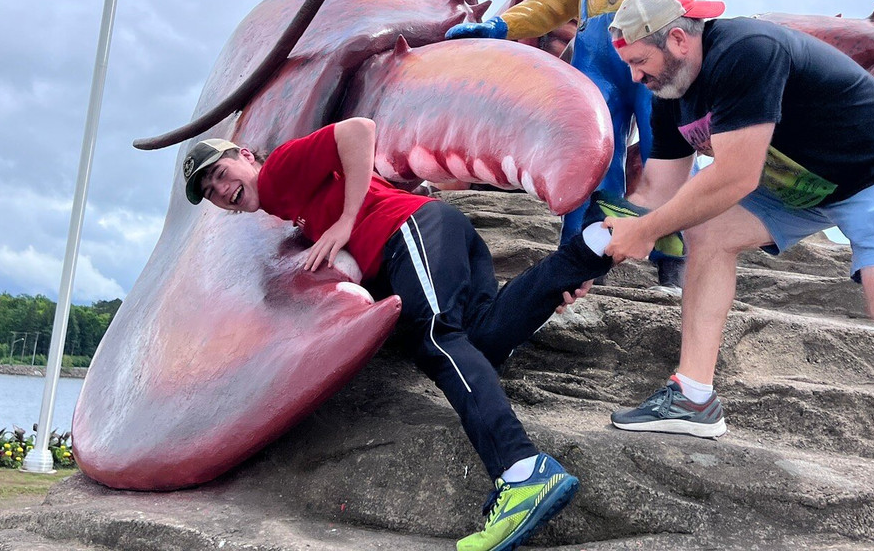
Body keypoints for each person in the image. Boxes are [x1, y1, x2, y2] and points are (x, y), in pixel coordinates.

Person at [598, 0, 874, 551]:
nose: (634, 78)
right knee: (707, 232)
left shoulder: (747, 50)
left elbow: (734, 178)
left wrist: (644, 231)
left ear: (678, 38)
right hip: (799, 179)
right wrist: (590, 252)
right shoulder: (669, 87)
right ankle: (694, 397)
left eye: (638, 63)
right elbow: (659, 192)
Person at [182, 118, 614, 551]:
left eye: (220, 175)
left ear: (245, 156)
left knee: (435, 340)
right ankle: (586, 252)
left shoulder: (278, 170)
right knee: (478, 343)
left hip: (407, 232)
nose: (221, 191)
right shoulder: (280, 200)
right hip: (438, 233)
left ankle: (522, 471)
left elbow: (356, 131)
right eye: (210, 193)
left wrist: (347, 221)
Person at [446, 0, 742, 292]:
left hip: (659, 56)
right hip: (595, 62)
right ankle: (581, 249)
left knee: (665, 152)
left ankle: (674, 256)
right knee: (591, 152)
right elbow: (549, 3)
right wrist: (499, 26)